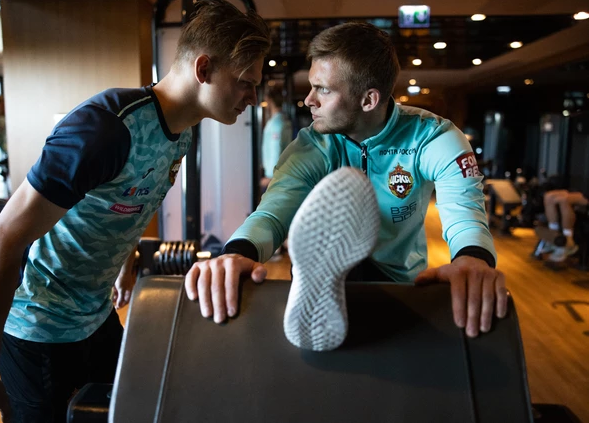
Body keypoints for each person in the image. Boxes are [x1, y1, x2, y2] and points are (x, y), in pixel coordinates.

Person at [0, 0, 270, 423]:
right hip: (38, 324)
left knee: (129, 409)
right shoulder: (105, 128)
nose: (253, 97)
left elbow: (130, 199)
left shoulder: (184, 132)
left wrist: (125, 259)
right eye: (246, 83)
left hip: (95, 314)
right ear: (204, 69)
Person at [185, 22, 508, 349]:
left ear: (368, 99)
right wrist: (237, 253)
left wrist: (472, 259)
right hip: (325, 289)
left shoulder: (433, 136)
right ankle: (321, 286)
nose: (309, 100)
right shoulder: (313, 145)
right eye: (311, 86)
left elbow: (464, 212)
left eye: (323, 89)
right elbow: (272, 213)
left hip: (398, 283)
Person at [260, 86, 292, 193]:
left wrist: (270, 176)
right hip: (281, 173)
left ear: (269, 100)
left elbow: (276, 149)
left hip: (275, 176)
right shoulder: (283, 120)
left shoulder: (277, 123)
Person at [543, 189, 588, 262]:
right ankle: (554, 237)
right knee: (548, 196)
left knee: (564, 199)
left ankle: (568, 242)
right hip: (577, 190)